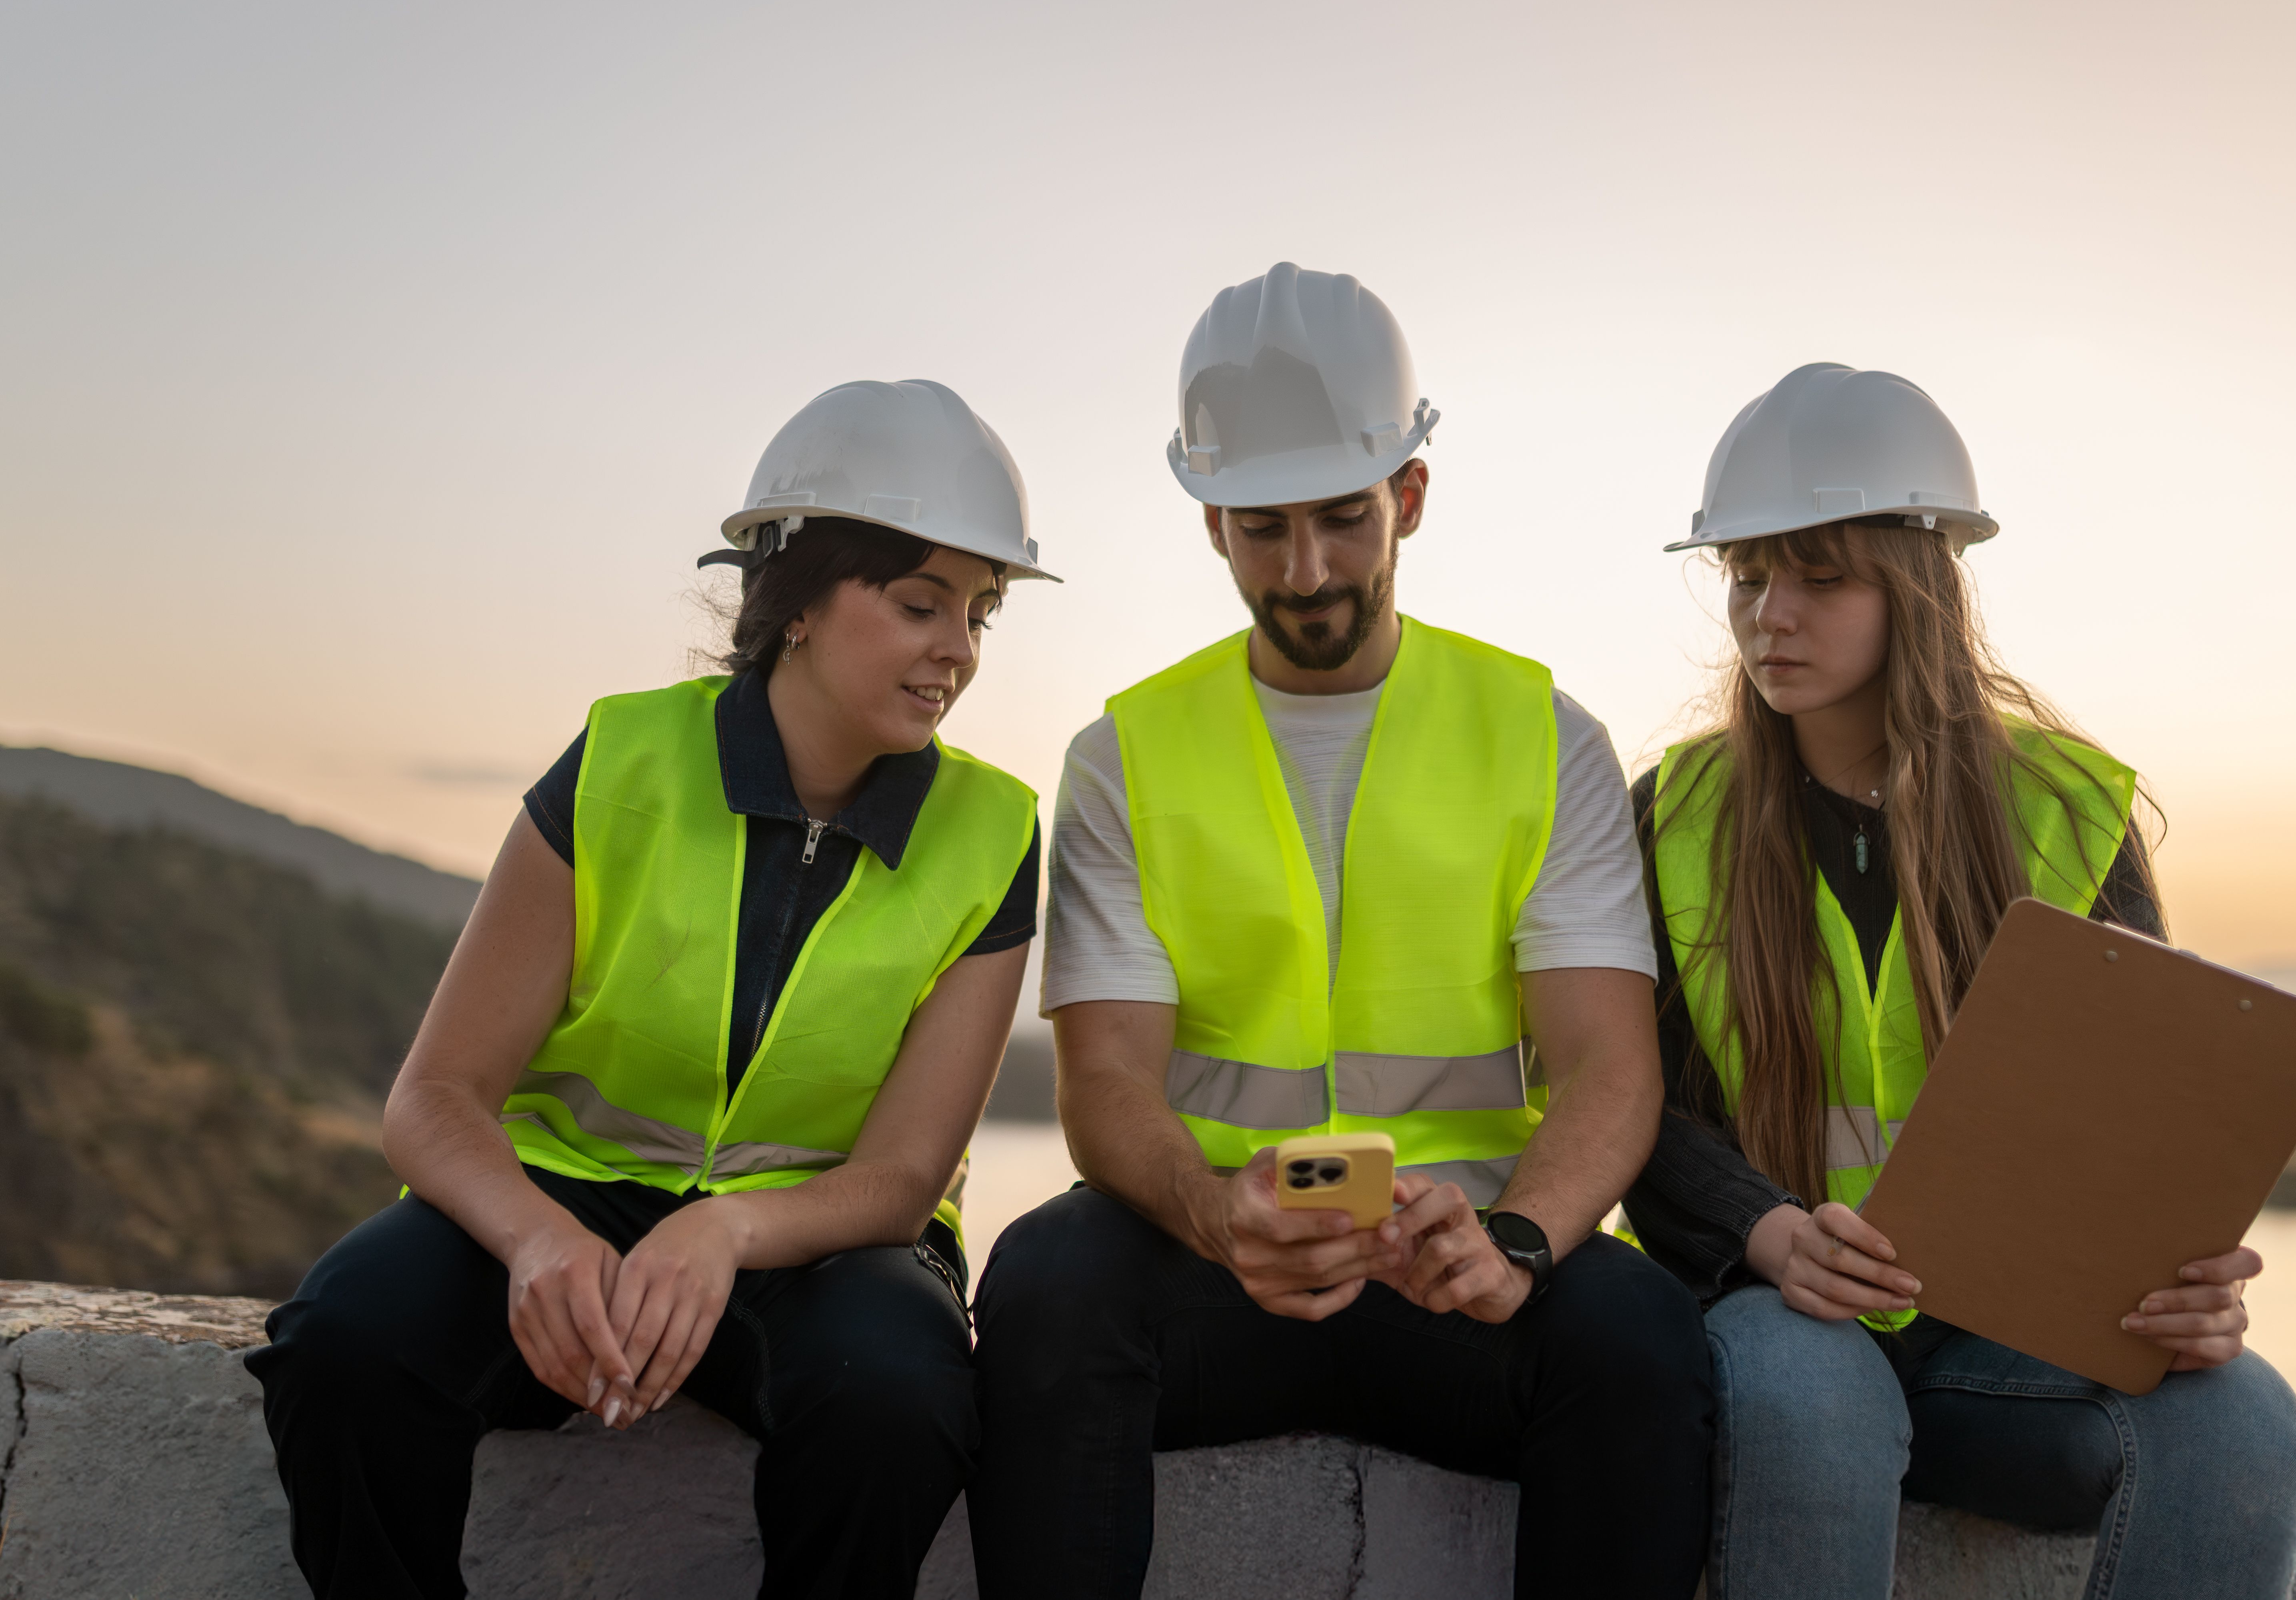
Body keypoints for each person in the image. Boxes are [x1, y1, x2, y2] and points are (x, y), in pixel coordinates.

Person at [968, 263, 1714, 1598]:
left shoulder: (1543, 739)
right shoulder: (1125, 755)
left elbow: (1612, 1069)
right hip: (1216, 1268)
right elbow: (1105, 1083)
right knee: (1046, 1284)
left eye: (1342, 519)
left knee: (1642, 1335)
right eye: (1262, 528)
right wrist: (1210, 1210)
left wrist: (1522, 1242)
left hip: (1465, 1267)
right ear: (1210, 522)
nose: (1306, 572)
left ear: (1409, 499)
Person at [247, 380, 1058, 1599]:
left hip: (819, 1249)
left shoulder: (994, 830)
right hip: (564, 1218)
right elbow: (435, 1098)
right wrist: (537, 1240)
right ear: (794, 599)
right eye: (918, 601)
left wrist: (725, 1226)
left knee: (898, 1399)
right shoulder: (624, 757)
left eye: (981, 612)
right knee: (346, 1345)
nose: (959, 648)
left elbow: (898, 1179)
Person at [1622, 362, 2296, 1598]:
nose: (1770, 613)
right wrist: (1765, 1232)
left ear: (1919, 582)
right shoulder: (1677, 814)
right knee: (1807, 1393)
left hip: (2002, 1340)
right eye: (1746, 577)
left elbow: (2151, 1121)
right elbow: (1640, 1107)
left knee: (2246, 1420)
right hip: (1781, 1309)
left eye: (1819, 575)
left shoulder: (2067, 807)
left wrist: (2185, 1280)